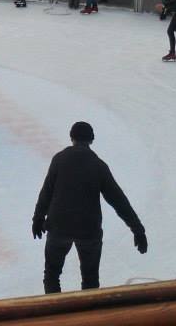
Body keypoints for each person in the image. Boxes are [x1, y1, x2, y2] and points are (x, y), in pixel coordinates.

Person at [32, 122, 146, 294]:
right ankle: (88, 314)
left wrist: (38, 218)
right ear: (91, 139)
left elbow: (46, 192)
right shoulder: (99, 165)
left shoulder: (59, 159)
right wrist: (138, 230)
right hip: (88, 231)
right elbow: (118, 200)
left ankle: (55, 313)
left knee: (52, 274)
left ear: (71, 137)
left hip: (58, 227)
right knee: (90, 277)